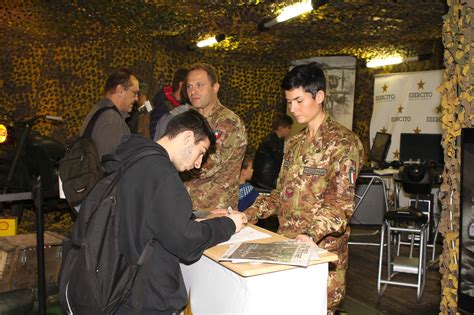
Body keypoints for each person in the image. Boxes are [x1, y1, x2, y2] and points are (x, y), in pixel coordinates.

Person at [243, 63, 364, 314]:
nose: (293, 109)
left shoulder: (343, 143)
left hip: (320, 253)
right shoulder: (294, 143)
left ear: (319, 96)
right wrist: (246, 214)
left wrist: (310, 234)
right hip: (288, 248)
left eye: (298, 100)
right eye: (289, 102)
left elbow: (340, 205)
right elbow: (280, 194)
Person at [115, 110, 247, 314]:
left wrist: (200, 217)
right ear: (187, 138)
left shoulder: (133, 158)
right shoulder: (162, 174)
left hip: (118, 283)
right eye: (201, 152)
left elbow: (151, 215)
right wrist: (229, 224)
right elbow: (186, 240)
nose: (198, 163)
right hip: (142, 296)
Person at [184, 62, 247, 211]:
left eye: (200, 85)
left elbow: (206, 166)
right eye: (189, 86)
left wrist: (172, 163)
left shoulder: (227, 122)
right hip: (188, 206)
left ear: (215, 87)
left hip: (215, 210)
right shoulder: (189, 120)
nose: (193, 91)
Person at [80, 68, 138, 159]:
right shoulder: (110, 118)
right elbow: (109, 165)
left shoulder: (100, 110)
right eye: (134, 93)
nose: (136, 99)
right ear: (120, 90)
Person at [251, 113, 293, 191]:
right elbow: (282, 161)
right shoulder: (272, 142)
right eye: (289, 127)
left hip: (263, 179)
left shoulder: (274, 140)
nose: (290, 131)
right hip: (265, 180)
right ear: (281, 128)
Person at [149, 68, 188, 138]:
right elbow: (154, 135)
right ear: (181, 85)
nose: (193, 90)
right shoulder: (162, 106)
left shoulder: (184, 105)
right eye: (189, 86)